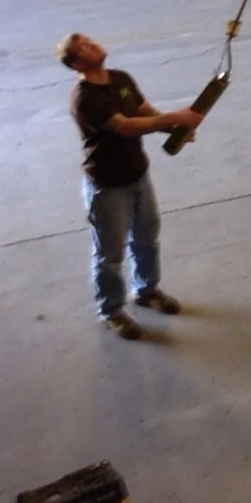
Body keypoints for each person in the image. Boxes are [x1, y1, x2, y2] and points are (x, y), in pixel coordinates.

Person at [59, 33, 203, 340]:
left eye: (90, 40)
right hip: (107, 186)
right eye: (84, 46)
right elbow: (124, 125)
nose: (93, 44)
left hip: (138, 174)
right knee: (109, 254)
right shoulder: (84, 97)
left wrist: (172, 127)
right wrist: (177, 116)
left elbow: (143, 111)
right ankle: (111, 310)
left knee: (147, 237)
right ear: (77, 63)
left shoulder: (121, 78)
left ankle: (147, 290)